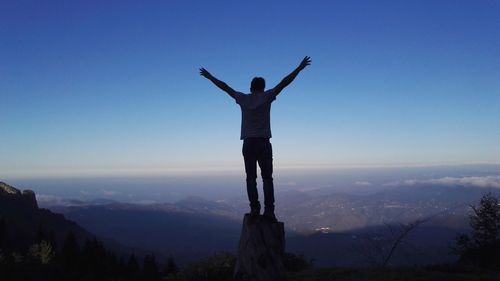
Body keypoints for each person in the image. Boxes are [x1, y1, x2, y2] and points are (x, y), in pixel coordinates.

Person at [200, 56, 311, 220]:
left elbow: (225, 87)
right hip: (264, 143)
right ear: (263, 87)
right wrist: (299, 68)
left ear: (251, 87)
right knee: (267, 179)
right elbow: (284, 83)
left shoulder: (243, 98)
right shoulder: (267, 97)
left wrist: (210, 77)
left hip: (248, 144)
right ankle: (269, 211)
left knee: (251, 178)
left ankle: (254, 209)